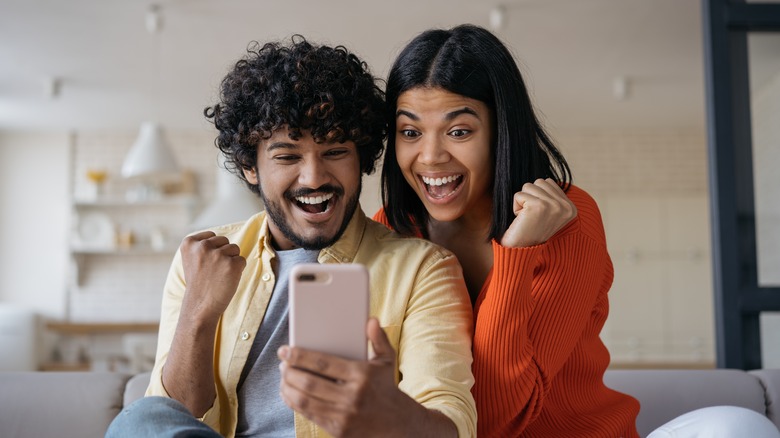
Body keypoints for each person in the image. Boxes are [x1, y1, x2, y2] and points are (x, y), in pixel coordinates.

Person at [376, 23, 780, 438]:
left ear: (502, 131)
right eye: (410, 132)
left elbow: (499, 416)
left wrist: (516, 252)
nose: (430, 156)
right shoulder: (388, 232)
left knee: (741, 426)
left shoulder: (567, 218)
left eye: (459, 131)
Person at [106, 36, 476, 438]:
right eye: (287, 156)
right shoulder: (201, 258)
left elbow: (454, 420)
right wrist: (199, 314)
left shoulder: (422, 269)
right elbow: (171, 417)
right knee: (141, 418)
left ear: (361, 158)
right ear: (251, 167)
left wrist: (392, 415)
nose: (314, 177)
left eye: (335, 152)